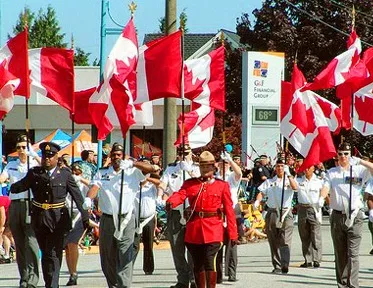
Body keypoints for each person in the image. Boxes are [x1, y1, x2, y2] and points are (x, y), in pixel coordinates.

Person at [10, 141, 90, 288]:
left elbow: (77, 196)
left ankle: (53, 284)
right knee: (46, 253)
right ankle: (49, 283)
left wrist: (85, 216)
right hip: (40, 218)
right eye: (45, 156)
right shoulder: (34, 173)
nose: (47, 159)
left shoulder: (64, 174)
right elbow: (21, 185)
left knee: (54, 252)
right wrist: (13, 185)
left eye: (51, 156)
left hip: (58, 218)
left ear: (56, 157)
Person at [82, 143, 155, 288]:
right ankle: (113, 284)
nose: (116, 157)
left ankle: (124, 285)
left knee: (125, 254)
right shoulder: (102, 172)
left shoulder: (132, 171)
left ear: (123, 156)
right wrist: (88, 198)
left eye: (119, 155)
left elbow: (152, 169)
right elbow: (95, 186)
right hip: (108, 219)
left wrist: (133, 163)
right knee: (107, 257)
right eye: (114, 155)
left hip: (127, 219)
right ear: (110, 157)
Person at [166, 151, 238, 288]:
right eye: (202, 167)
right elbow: (181, 194)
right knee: (198, 263)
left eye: (208, 167)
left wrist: (233, 233)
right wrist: (171, 202)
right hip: (194, 230)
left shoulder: (222, 185)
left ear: (213, 168)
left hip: (214, 229)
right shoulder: (191, 184)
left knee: (209, 261)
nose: (205, 170)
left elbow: (229, 210)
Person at [320, 142, 373, 288]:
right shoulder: (332, 172)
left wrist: (361, 161)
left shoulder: (359, 170)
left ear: (351, 155)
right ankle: (342, 284)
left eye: (346, 154)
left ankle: (353, 284)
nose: (343, 156)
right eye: (341, 153)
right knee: (340, 253)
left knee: (353, 254)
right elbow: (325, 187)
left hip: (355, 216)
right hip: (338, 216)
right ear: (337, 155)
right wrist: (320, 198)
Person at [0, 135, 41, 287]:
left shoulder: (33, 164)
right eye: (19, 147)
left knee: (31, 242)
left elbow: (45, 170)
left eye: (24, 147)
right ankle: (24, 277)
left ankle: (33, 278)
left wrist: (34, 155)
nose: (21, 150)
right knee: (19, 242)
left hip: (30, 204)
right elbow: (2, 178)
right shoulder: (11, 165)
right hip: (15, 204)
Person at [158, 144, 200, 288]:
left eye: (186, 153)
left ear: (191, 153)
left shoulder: (197, 168)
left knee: (193, 248)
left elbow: (201, 184)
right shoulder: (171, 169)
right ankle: (182, 279)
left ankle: (195, 278)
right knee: (177, 248)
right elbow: (163, 184)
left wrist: (189, 171)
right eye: (181, 153)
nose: (184, 155)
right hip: (175, 212)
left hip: (192, 211)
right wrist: (159, 196)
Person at [255, 158, 298, 274]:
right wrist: (257, 201)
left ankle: (285, 263)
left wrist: (289, 175)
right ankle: (277, 265)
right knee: (273, 240)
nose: (280, 168)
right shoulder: (270, 181)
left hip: (285, 212)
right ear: (275, 167)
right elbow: (261, 192)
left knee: (285, 239)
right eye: (278, 166)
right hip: (273, 212)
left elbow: (295, 188)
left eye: (282, 166)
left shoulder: (289, 180)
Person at [215, 152, 242, 283]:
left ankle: (232, 273)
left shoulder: (231, 176)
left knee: (232, 243)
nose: (224, 165)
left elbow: (239, 173)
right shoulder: (215, 177)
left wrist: (231, 160)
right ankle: (218, 275)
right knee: (217, 244)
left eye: (226, 163)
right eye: (222, 162)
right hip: (218, 211)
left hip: (231, 211)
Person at [64, 162, 91, 286]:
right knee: (67, 247)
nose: (75, 174)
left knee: (72, 243)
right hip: (66, 214)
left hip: (79, 215)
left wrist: (81, 179)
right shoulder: (67, 182)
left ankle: (73, 273)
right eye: (73, 172)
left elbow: (94, 187)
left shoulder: (84, 184)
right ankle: (71, 272)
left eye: (78, 172)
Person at [133, 173, 162, 275]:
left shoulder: (152, 187)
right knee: (134, 244)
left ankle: (148, 268)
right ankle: (128, 267)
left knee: (148, 244)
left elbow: (161, 183)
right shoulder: (134, 185)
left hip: (148, 218)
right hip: (135, 219)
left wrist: (148, 179)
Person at [296, 165, 324, 268]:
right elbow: (294, 187)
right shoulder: (299, 180)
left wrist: (323, 202)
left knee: (315, 235)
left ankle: (316, 259)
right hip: (302, 208)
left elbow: (324, 192)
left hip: (314, 208)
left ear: (313, 169)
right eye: (306, 168)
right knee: (304, 235)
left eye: (309, 167)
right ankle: (307, 259)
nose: (307, 169)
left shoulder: (318, 181)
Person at [0, 195, 11, 263]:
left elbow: (2, 216)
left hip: (11, 216)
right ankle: (6, 254)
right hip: (9, 216)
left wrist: (1, 227)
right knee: (6, 235)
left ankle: (7, 254)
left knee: (6, 234)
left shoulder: (0, 200)